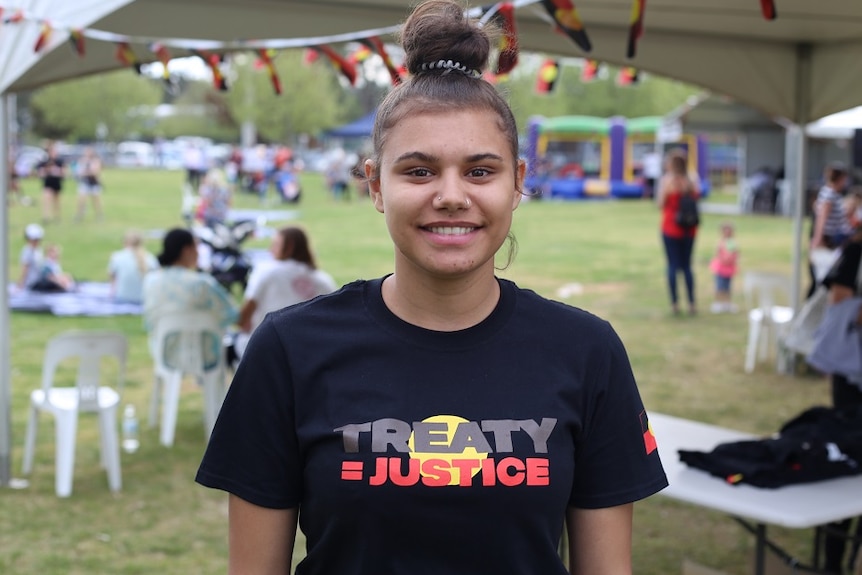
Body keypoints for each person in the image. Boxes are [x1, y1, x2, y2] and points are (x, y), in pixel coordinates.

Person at [196, 2, 668, 573]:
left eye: (480, 171)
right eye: (418, 171)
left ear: (518, 182)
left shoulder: (587, 351)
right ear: (375, 184)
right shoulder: (290, 349)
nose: (450, 195)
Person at [818, 226, 862, 574]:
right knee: (846, 461)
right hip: (853, 379)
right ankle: (834, 562)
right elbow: (841, 304)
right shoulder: (853, 253)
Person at [230, 226, 337, 361]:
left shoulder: (266, 271)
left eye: (275, 245)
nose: (270, 250)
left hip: (264, 350)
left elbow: (242, 319)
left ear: (289, 247)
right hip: (311, 353)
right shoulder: (323, 280)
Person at [142, 228, 238, 364]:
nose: (199, 252)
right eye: (196, 247)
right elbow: (232, 315)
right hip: (204, 355)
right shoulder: (201, 283)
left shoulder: (150, 281)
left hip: (162, 351)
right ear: (187, 250)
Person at [657, 149, 701, 315]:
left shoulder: (668, 181)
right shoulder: (691, 180)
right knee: (687, 266)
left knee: (672, 266)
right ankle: (691, 303)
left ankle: (675, 303)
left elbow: (661, 203)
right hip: (689, 229)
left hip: (671, 228)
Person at [108, 230, 159, 303]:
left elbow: (112, 281)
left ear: (125, 242)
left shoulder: (117, 257)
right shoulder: (150, 258)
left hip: (122, 298)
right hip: (144, 299)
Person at [709, 221, 740, 313]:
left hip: (728, 268)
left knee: (727, 286)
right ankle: (718, 303)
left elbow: (735, 253)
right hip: (721, 268)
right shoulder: (721, 242)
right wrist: (723, 259)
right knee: (719, 286)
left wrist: (731, 259)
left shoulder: (733, 243)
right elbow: (718, 253)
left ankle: (727, 303)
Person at [36, 141, 66, 223]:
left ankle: (56, 217)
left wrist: (57, 172)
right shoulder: (44, 161)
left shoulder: (59, 161)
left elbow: (64, 173)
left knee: (56, 201)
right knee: (46, 199)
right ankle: (46, 217)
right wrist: (46, 171)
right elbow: (39, 173)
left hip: (56, 182)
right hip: (48, 182)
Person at [74, 147, 104, 222]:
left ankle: (99, 215)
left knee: (96, 200)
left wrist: (87, 172)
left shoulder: (96, 161)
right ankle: (79, 215)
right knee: (81, 200)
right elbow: (79, 172)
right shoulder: (82, 161)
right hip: (85, 182)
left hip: (94, 183)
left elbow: (96, 172)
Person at [18, 223, 45, 290]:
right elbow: (25, 269)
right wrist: (21, 284)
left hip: (39, 280)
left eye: (38, 240)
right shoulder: (27, 251)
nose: (37, 242)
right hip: (32, 283)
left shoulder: (38, 250)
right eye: (35, 240)